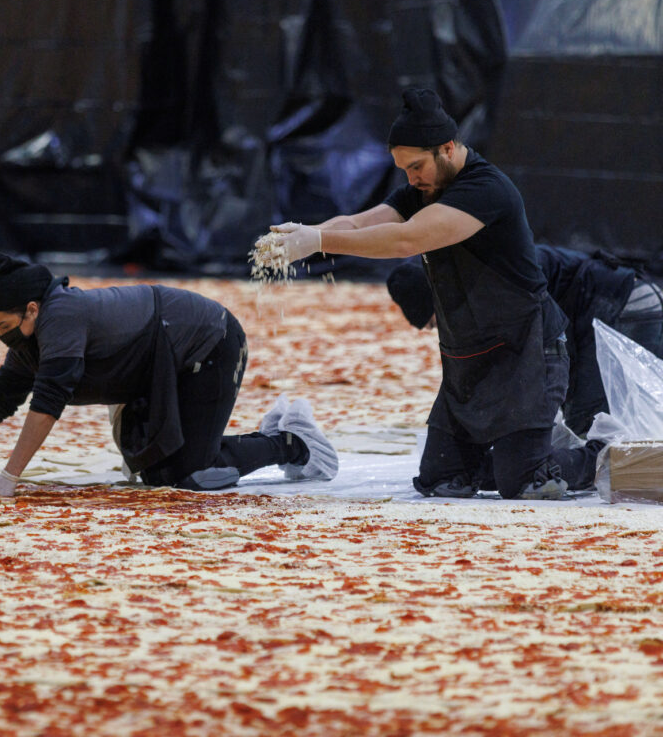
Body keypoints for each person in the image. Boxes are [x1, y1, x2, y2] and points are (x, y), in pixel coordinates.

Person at [254, 87, 601, 500]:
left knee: (525, 483)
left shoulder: (486, 189)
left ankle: (599, 454)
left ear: (448, 148)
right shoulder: (424, 189)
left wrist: (318, 241)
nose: (411, 178)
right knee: (440, 481)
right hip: (469, 359)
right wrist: (302, 235)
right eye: (404, 169)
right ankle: (518, 454)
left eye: (416, 166)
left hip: (527, 351)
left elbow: (406, 240)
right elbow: (360, 223)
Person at [0, 254, 338, 496]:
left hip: (209, 345)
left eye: (3, 327)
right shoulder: (28, 339)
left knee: (191, 475)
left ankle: (291, 443)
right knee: (157, 473)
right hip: (158, 368)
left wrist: (10, 476)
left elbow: (47, 403)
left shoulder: (61, 315)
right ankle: (265, 438)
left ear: (31, 309)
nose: (0, 338)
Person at [387, 247, 663, 436]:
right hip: (631, 298)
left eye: (436, 322)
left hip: (625, 304)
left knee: (592, 421)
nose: (444, 329)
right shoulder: (472, 273)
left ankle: (636, 472)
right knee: (613, 414)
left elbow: (541, 347)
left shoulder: (487, 284)